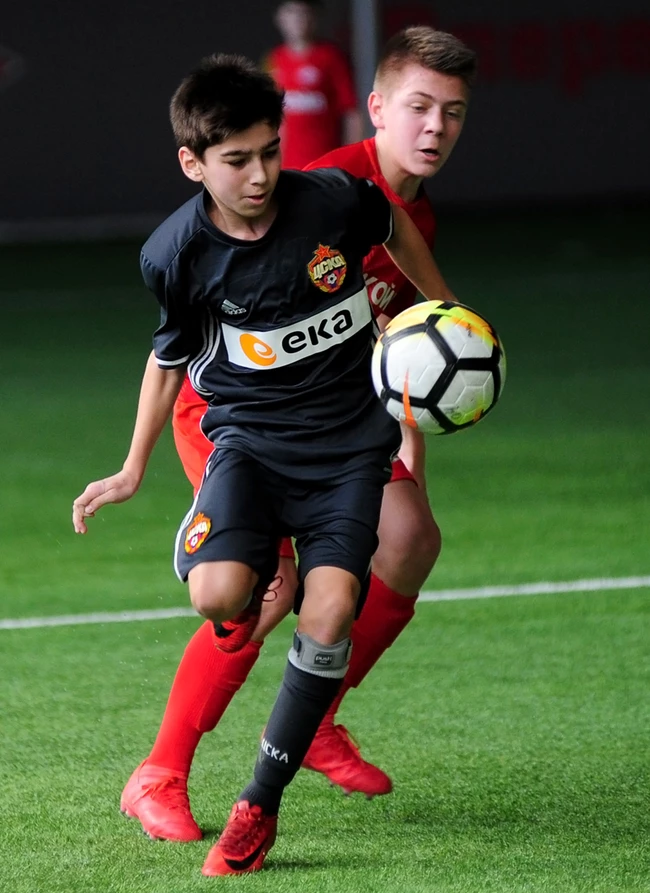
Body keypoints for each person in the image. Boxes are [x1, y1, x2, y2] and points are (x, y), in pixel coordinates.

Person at [72, 53, 460, 876]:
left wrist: (445, 315)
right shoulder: (289, 201)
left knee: (399, 545)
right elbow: (170, 354)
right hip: (231, 418)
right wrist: (133, 466)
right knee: (256, 590)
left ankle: (297, 738)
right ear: (375, 108)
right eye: (421, 107)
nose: (437, 128)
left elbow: (401, 346)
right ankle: (160, 771)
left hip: (339, 428)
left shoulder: (368, 206)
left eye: (455, 112)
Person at [264, 0, 362, 169]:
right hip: (286, 166)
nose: (297, 19)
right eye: (291, 12)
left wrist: (351, 159)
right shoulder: (274, 59)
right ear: (280, 18)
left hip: (325, 164)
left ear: (315, 17)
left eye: (303, 13)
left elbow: (352, 112)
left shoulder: (331, 57)